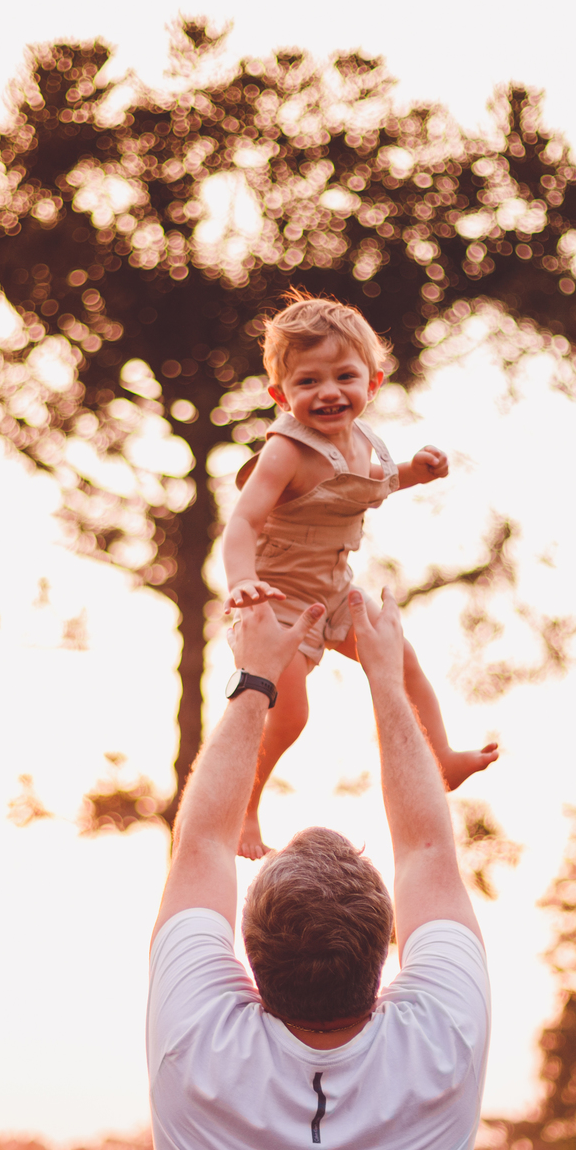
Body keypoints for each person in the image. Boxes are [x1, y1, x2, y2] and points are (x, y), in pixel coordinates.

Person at [123, 585, 492, 1150]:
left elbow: (202, 842)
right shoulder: (442, 1045)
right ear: (384, 955)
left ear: (249, 963)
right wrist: (386, 677)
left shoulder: (195, 1045)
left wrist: (256, 676)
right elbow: (428, 853)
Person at [222, 291, 497, 858]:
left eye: (344, 377)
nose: (328, 392)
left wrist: (417, 471)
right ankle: (242, 808)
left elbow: (374, 480)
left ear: (372, 383)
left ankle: (442, 759)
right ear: (281, 395)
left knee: (399, 656)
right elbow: (243, 522)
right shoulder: (284, 451)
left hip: (333, 590)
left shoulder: (361, 442)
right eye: (308, 382)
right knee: (289, 714)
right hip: (277, 601)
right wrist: (242, 583)